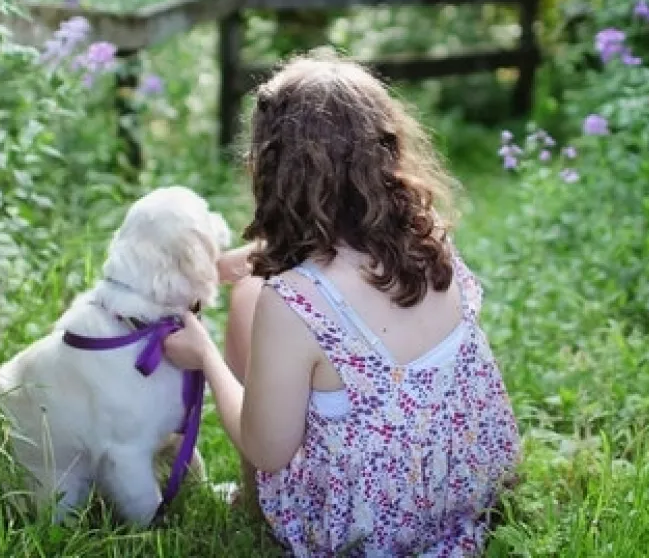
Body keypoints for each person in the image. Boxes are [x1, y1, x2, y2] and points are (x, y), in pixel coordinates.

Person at [162, 53, 520, 556]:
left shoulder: (291, 303)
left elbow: (269, 450)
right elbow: (345, 265)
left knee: (248, 297)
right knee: (252, 287)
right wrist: (241, 259)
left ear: (274, 167)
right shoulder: (429, 239)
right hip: (461, 490)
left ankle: (252, 503)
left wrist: (205, 357)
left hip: (367, 527)